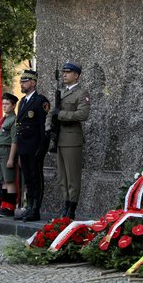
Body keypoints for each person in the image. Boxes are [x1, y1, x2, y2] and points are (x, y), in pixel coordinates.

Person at [51, 62, 90, 219]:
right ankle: (66, 204)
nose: (64, 75)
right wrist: (49, 127)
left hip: (72, 139)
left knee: (72, 176)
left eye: (68, 72)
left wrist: (61, 114)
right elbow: (52, 114)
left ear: (77, 75)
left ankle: (71, 208)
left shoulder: (81, 93)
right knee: (62, 177)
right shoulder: (61, 92)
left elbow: (83, 114)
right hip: (59, 138)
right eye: (63, 72)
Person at [14, 70, 49, 221]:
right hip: (24, 146)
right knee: (28, 178)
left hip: (34, 146)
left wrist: (42, 148)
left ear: (33, 83)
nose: (21, 83)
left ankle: (35, 209)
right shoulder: (22, 102)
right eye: (21, 81)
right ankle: (29, 207)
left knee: (36, 178)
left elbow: (43, 127)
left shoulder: (41, 101)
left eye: (25, 81)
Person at [0, 92, 19, 217]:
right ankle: (3, 205)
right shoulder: (2, 119)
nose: (4, 106)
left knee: (9, 180)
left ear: (14, 106)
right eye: (3, 103)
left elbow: (15, 140)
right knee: (2, 180)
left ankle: (10, 207)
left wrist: (11, 158)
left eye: (7, 104)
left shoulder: (14, 120)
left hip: (6, 151)